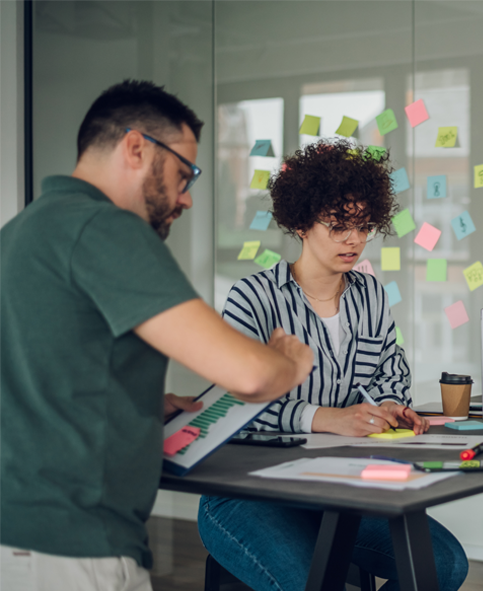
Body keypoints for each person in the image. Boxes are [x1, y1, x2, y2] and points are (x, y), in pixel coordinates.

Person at [0, 80, 314, 591]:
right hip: (72, 547)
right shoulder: (106, 228)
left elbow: (35, 376)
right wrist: (289, 362)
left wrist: (137, 402)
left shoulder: (22, 232)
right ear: (136, 147)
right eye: (183, 174)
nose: (186, 198)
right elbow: (252, 376)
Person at [198, 139, 469, 591]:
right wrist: (325, 418)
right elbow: (229, 406)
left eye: (363, 226)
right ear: (302, 222)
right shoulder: (254, 298)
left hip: (339, 487)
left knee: (444, 565)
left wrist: (387, 405)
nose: (354, 240)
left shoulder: (370, 294)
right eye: (339, 225)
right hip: (249, 494)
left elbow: (392, 370)